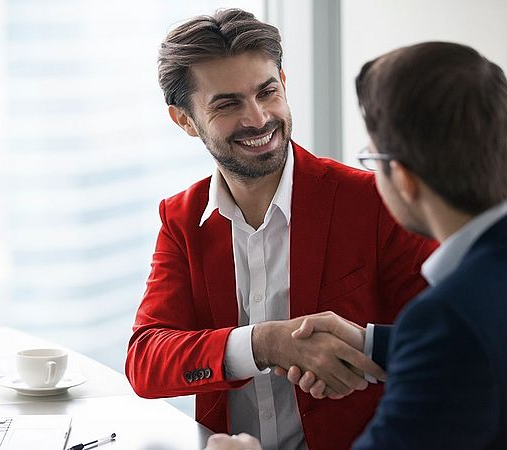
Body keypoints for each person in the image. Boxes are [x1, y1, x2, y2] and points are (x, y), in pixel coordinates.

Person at [125, 9, 435, 450]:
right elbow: (146, 360)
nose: (258, 118)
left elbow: (446, 347)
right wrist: (264, 343)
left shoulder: (374, 201)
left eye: (267, 92)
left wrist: (361, 358)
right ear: (185, 121)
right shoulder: (181, 219)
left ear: (284, 84)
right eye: (227, 104)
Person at [206, 41, 507, 450]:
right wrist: (370, 344)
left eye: (371, 156)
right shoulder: (466, 305)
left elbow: (456, 341)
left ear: (402, 178)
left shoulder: (448, 315)